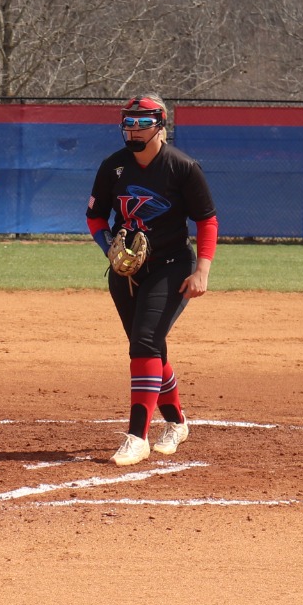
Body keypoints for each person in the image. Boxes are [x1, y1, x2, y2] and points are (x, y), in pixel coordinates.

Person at [86, 95, 217, 466]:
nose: (134, 130)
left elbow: (207, 220)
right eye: (129, 123)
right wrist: (109, 249)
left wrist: (202, 271)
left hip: (172, 266)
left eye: (142, 123)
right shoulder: (113, 167)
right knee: (149, 348)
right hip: (126, 272)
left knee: (144, 342)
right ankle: (176, 423)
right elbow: (95, 217)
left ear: (161, 126)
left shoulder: (182, 167)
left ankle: (137, 436)